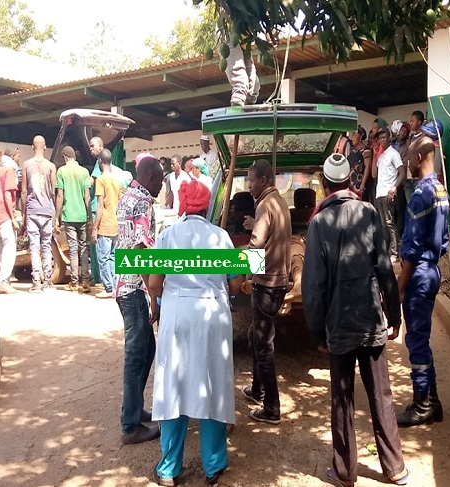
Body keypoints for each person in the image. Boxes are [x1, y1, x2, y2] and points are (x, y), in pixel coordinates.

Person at [302, 153, 409, 487]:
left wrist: (317, 331)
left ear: (324, 185)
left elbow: (314, 285)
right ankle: (395, 468)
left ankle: (345, 472)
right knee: (381, 394)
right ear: (350, 180)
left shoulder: (319, 224)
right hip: (371, 319)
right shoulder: (369, 212)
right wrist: (394, 314)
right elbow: (384, 269)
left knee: (342, 398)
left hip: (339, 324)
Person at [149, 179, 243, 486]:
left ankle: (168, 469)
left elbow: (154, 283)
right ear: (206, 207)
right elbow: (236, 283)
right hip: (212, 314)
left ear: (182, 206)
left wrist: (155, 305)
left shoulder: (167, 236)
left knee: (174, 388)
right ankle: (214, 465)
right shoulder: (221, 237)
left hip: (177, 313)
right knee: (212, 386)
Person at [395, 136, 449, 427]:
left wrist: (400, 286)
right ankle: (433, 401)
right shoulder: (440, 190)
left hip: (418, 274)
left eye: (408, 158)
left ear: (418, 158)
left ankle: (422, 405)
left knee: (415, 340)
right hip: (433, 270)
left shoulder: (419, 194)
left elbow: (412, 250)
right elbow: (443, 243)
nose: (407, 164)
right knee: (422, 339)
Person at [114, 155, 164, 445]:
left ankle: (133, 408)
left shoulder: (127, 196)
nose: (160, 187)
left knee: (147, 348)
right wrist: (154, 296)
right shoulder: (143, 202)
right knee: (135, 356)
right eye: (158, 181)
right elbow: (141, 252)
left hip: (125, 286)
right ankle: (130, 426)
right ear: (150, 178)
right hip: (134, 288)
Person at [241, 159, 291, 425]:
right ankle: (257, 389)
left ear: (263, 180)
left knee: (263, 346)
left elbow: (257, 245)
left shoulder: (264, 205)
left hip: (266, 283)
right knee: (256, 335)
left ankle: (271, 407)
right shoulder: (279, 202)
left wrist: (237, 267)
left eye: (251, 180)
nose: (249, 186)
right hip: (278, 281)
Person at [21, 135, 57, 293]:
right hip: (47, 211)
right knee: (47, 246)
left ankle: (36, 281)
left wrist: (23, 213)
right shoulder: (51, 166)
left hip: (32, 210)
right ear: (46, 147)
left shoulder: (26, 165)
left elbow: (23, 191)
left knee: (34, 247)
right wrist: (56, 215)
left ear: (32, 147)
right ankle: (48, 280)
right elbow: (54, 193)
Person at [55, 146, 92, 293]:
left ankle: (74, 282)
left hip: (69, 216)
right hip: (82, 215)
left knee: (73, 248)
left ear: (65, 157)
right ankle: (86, 281)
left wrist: (57, 217)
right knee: (83, 247)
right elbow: (87, 196)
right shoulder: (84, 172)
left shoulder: (62, 171)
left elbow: (59, 196)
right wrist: (89, 217)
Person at [372, 127, 405, 264]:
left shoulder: (393, 154)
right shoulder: (381, 155)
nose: (382, 140)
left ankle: (394, 253)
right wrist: (375, 155)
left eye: (384, 137)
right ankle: (385, 251)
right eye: (379, 138)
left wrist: (394, 187)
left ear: (389, 138)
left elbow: (402, 172)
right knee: (383, 225)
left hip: (388, 193)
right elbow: (374, 174)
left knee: (390, 223)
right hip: (379, 193)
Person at [91, 149, 121, 299]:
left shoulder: (101, 180)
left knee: (102, 258)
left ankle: (108, 288)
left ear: (100, 162)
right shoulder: (117, 179)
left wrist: (94, 228)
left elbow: (100, 205)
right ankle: (114, 286)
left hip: (105, 224)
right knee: (113, 257)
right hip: (116, 224)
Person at [0, 149, 20, 294]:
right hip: (5, 216)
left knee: (2, 250)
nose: (19, 160)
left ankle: (5, 280)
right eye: (18, 156)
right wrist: (13, 218)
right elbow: (8, 194)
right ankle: (3, 280)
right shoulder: (9, 171)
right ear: (12, 156)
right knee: (10, 248)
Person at [221, 42, 260, 107]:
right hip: (228, 35)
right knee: (240, 81)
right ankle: (235, 111)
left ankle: (247, 110)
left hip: (243, 37)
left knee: (254, 85)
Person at [89, 136, 105, 287]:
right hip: (105, 209)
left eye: (93, 145)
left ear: (101, 147)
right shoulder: (105, 164)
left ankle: (98, 277)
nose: (91, 148)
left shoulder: (98, 164)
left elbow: (91, 182)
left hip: (96, 209)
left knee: (96, 245)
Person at [347, 127, 372, 202]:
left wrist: (362, 184)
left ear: (361, 136)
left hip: (359, 183)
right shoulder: (351, 151)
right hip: (351, 185)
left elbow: (367, 166)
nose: (352, 136)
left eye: (355, 134)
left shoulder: (365, 151)